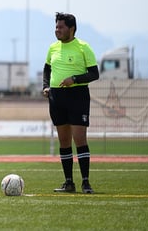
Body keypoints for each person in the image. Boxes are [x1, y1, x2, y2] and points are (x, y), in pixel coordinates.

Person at [42, 12, 99, 194]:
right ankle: (68, 183)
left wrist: (74, 79)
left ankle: (85, 182)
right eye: (56, 27)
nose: (57, 30)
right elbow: (47, 68)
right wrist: (45, 86)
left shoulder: (83, 47)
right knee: (64, 141)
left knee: (79, 139)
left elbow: (94, 74)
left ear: (71, 28)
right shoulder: (53, 48)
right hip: (56, 98)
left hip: (77, 96)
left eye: (61, 27)